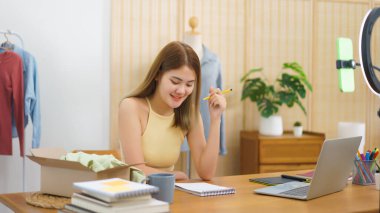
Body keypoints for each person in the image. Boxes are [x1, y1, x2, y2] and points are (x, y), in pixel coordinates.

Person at [118, 41, 227, 180]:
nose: (181, 91)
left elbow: (206, 173)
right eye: (175, 82)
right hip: (135, 195)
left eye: (189, 84)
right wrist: (176, 175)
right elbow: (136, 171)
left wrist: (216, 119)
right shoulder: (130, 107)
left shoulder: (190, 114)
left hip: (170, 194)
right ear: (158, 75)